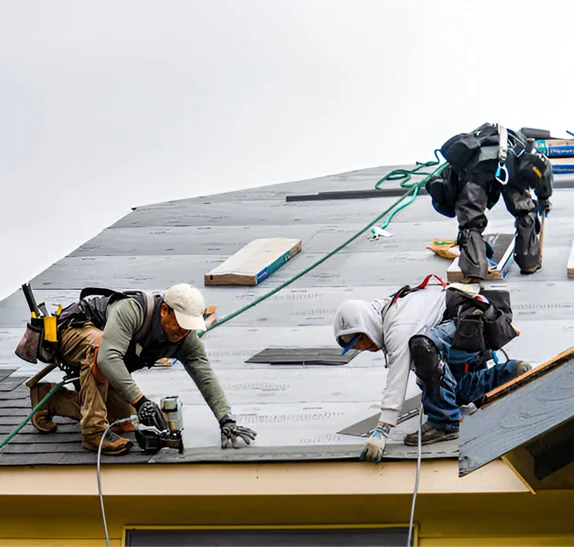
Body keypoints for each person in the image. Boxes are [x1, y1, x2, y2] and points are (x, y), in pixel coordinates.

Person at [29, 283, 256, 455]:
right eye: (180, 324)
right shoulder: (132, 311)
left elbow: (204, 374)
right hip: (74, 333)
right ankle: (93, 432)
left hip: (99, 367)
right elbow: (108, 358)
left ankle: (49, 399)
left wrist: (226, 419)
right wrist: (141, 401)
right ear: (165, 310)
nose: (183, 332)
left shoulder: (184, 338)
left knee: (125, 421)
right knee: (99, 348)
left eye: (189, 327)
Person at [333, 274, 531, 464]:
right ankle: (510, 373)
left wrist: (382, 430)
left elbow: (397, 377)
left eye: (361, 340)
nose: (363, 348)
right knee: (455, 394)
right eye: (356, 347)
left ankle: (443, 424)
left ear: (367, 325)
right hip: (469, 330)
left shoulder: (398, 325)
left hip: (470, 325)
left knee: (421, 347)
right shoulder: (385, 311)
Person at [426, 123, 553, 283]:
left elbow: (465, 212)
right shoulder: (520, 144)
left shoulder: (458, 163)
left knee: (470, 223)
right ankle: (529, 262)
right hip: (511, 166)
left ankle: (474, 269)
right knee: (524, 211)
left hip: (477, 173)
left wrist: (473, 241)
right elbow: (544, 168)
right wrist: (544, 198)